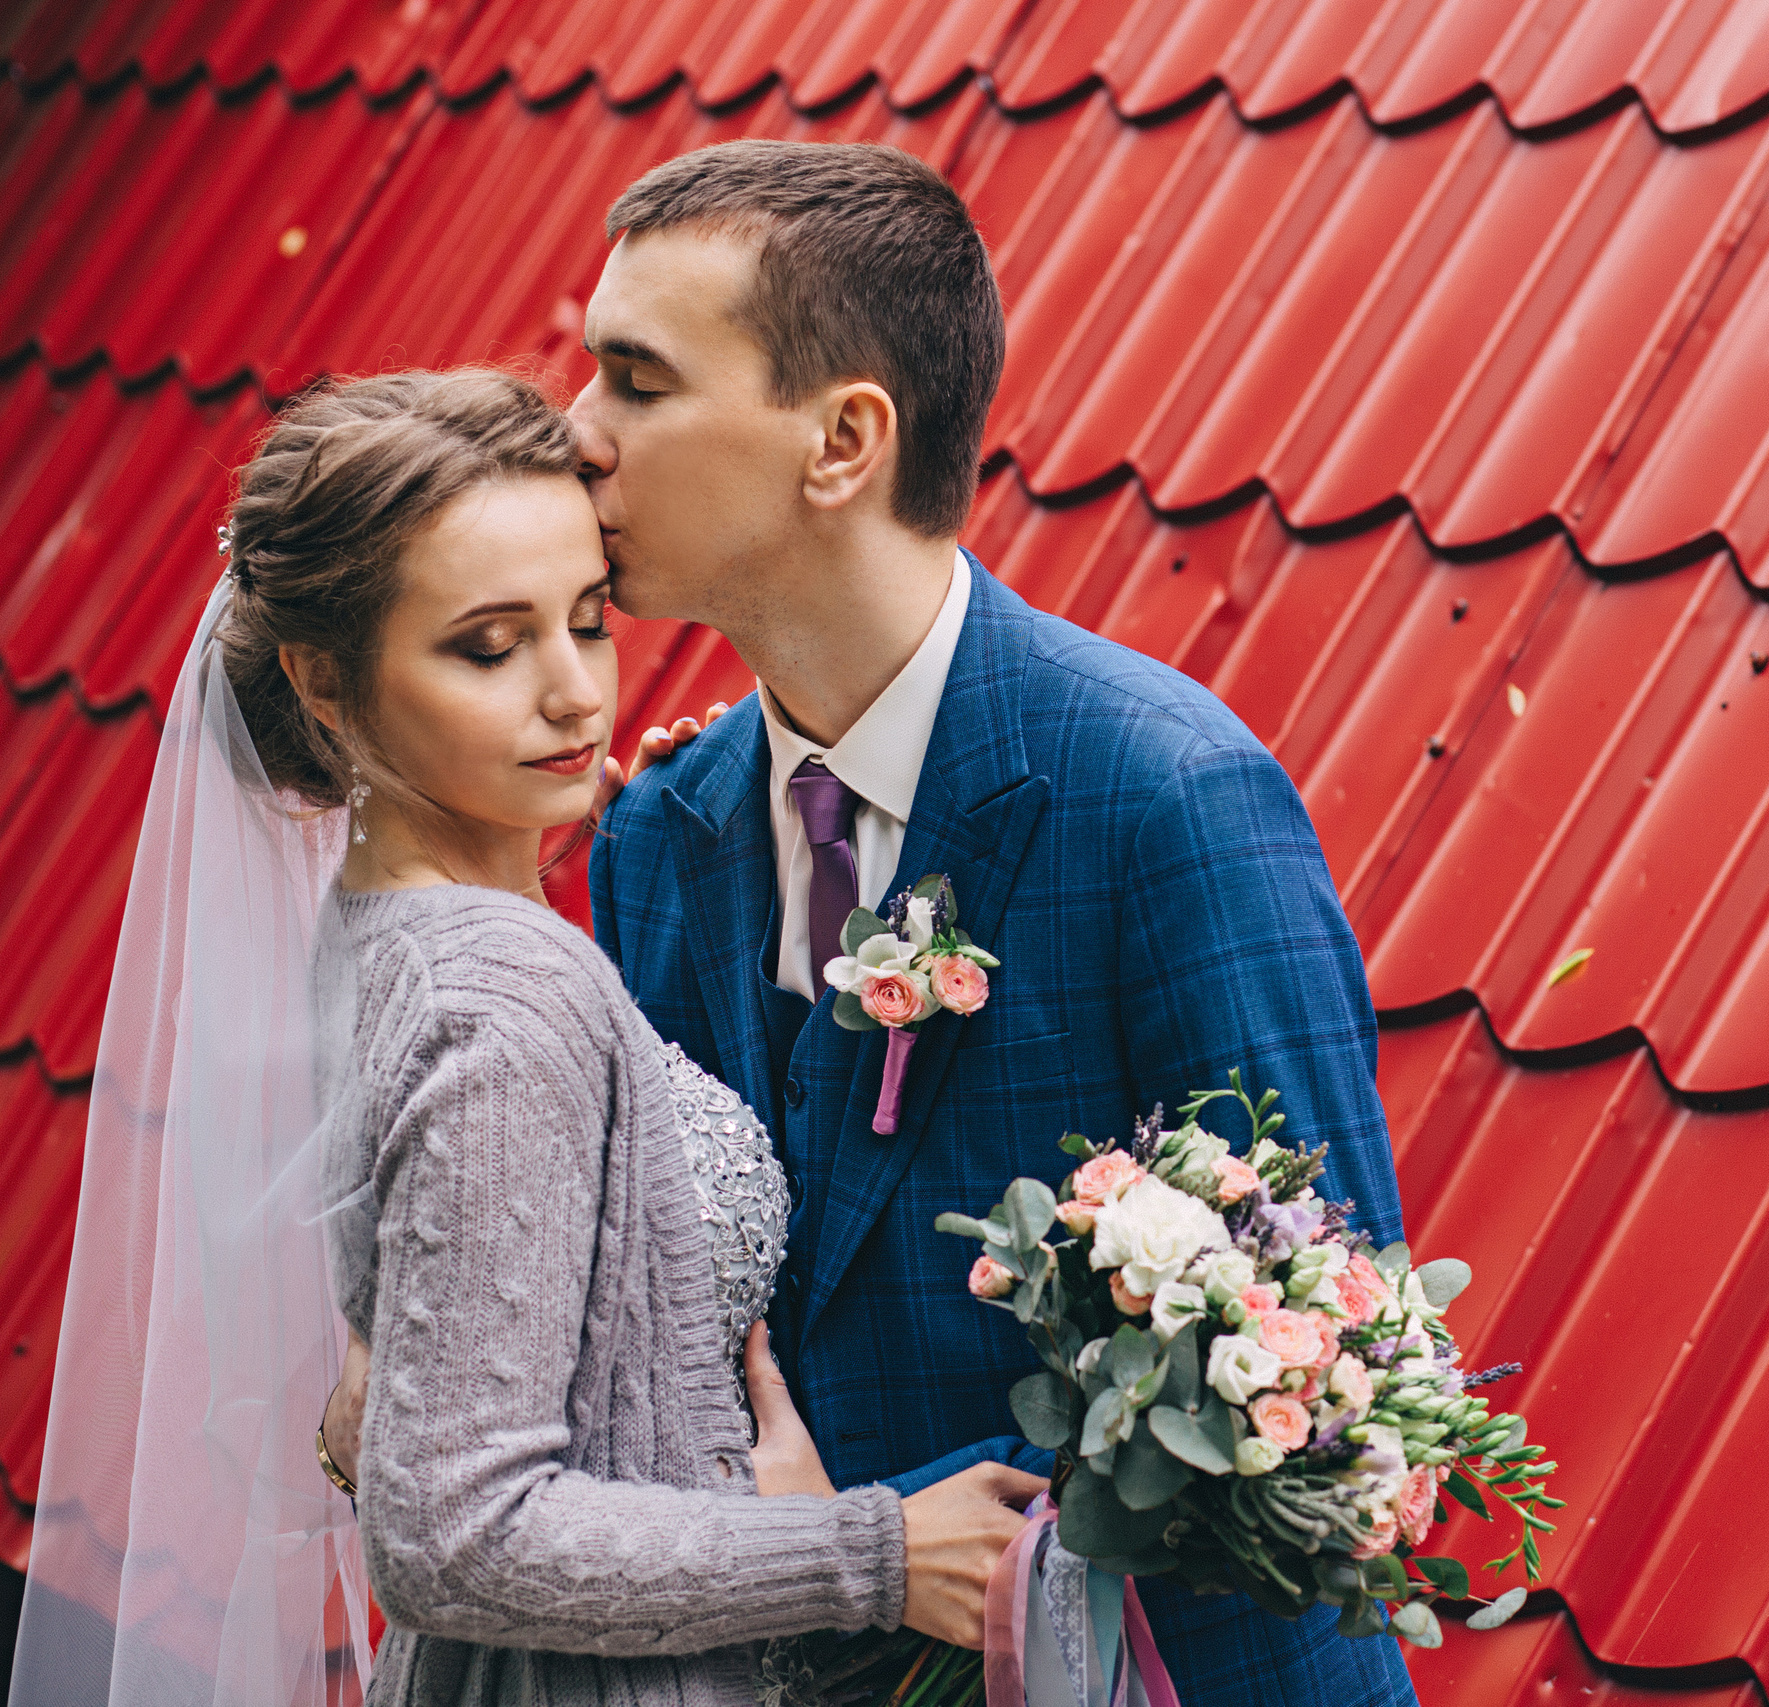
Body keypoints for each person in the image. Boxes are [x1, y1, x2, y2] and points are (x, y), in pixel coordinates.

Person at [13, 365, 1043, 1707]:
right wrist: (871, 1551)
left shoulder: (372, 930)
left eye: (587, 622)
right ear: (324, 683)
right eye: (488, 647)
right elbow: (455, 1537)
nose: (573, 694)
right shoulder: (499, 991)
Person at [573, 141, 1418, 1706]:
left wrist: (876, 1539)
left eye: (637, 379)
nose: (578, 440)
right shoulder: (653, 838)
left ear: (843, 440)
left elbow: (1332, 1367)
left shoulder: (1165, 800)